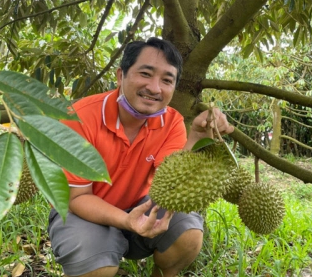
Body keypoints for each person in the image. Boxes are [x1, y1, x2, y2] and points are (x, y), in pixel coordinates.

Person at [47, 37, 234, 277]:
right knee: (96, 267)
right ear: (120, 75)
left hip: (138, 205)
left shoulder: (172, 121)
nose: (155, 88)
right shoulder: (78, 118)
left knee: (188, 234)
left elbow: (173, 181)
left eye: (167, 80)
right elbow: (76, 198)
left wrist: (196, 137)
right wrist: (127, 222)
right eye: (145, 74)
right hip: (82, 214)